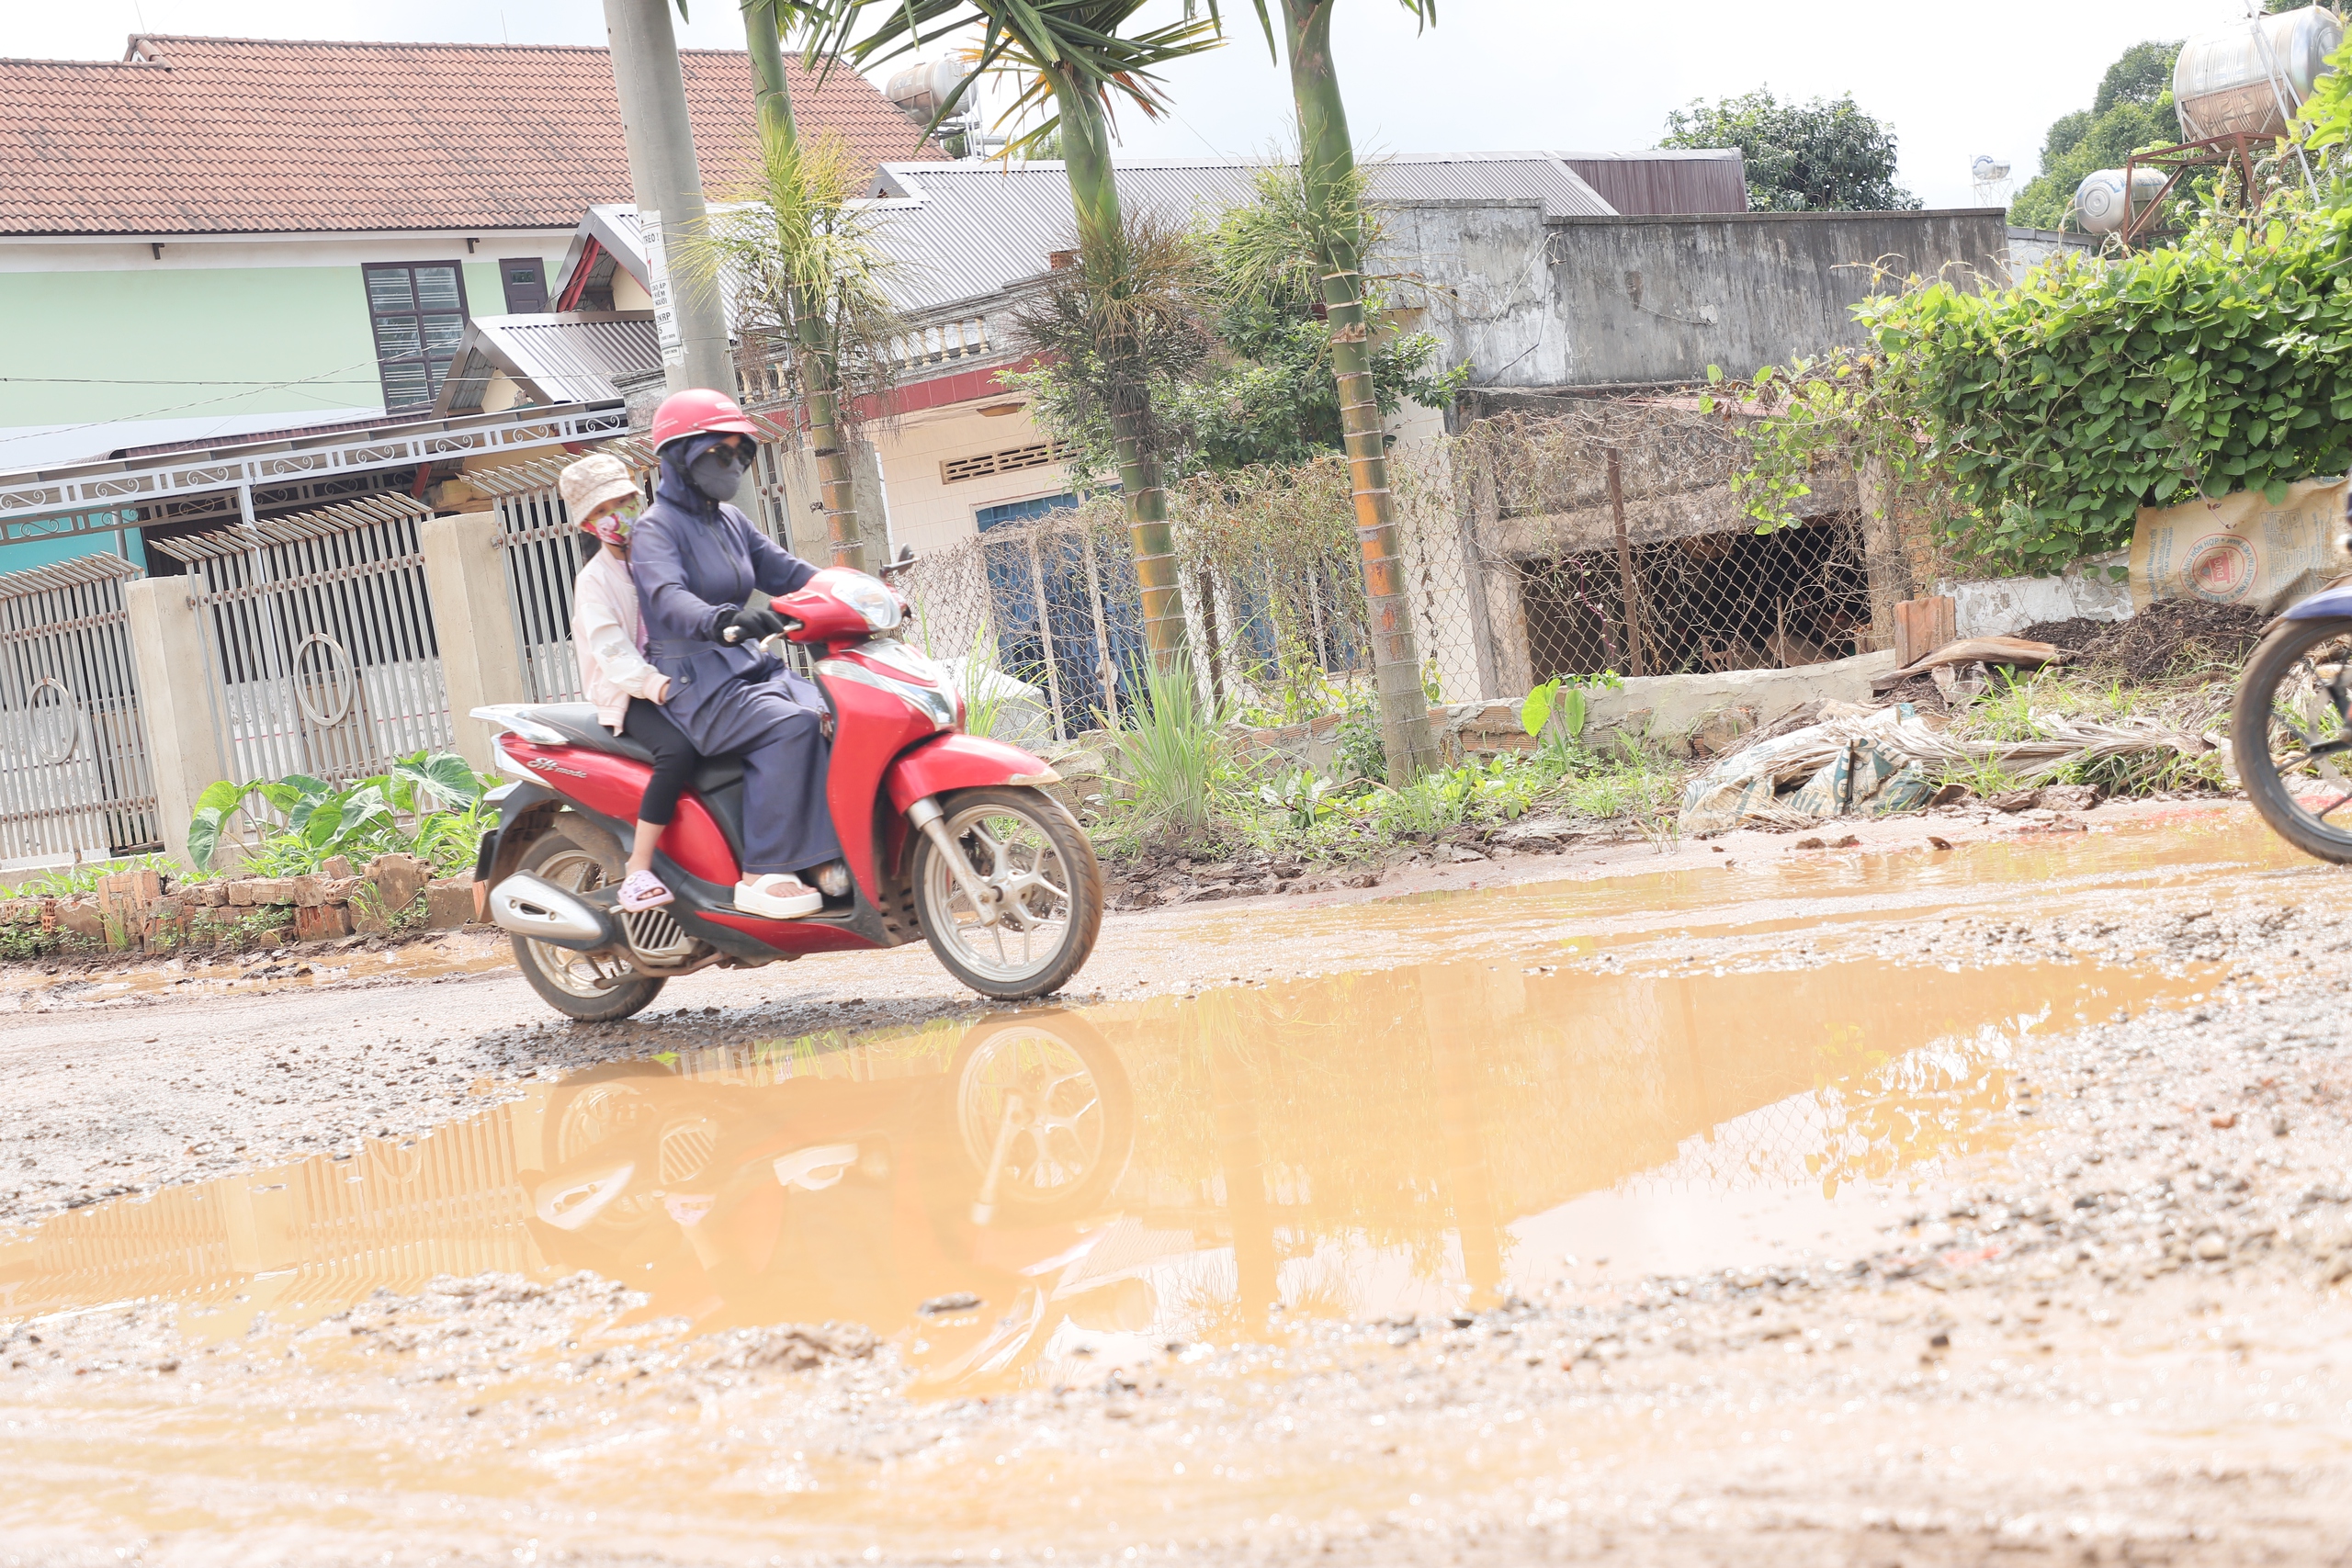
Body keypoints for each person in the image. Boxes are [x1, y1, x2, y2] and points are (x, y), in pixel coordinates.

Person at [628, 389, 842, 919]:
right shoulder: (655, 528)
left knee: (831, 712)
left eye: (740, 454)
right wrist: (721, 619)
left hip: (745, 665)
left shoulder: (730, 522)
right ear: (680, 457)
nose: (733, 466)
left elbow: (789, 572)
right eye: (719, 454)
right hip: (693, 680)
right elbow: (666, 596)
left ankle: (824, 854)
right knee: (791, 725)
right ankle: (763, 868)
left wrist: (853, 591)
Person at [559, 452, 693, 914]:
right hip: (629, 692)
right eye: (601, 510)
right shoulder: (594, 581)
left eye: (622, 501)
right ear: (587, 525)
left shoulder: (661, 553)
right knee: (678, 751)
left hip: (683, 677)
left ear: (639, 497)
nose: (616, 515)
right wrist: (656, 686)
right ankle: (639, 867)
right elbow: (612, 652)